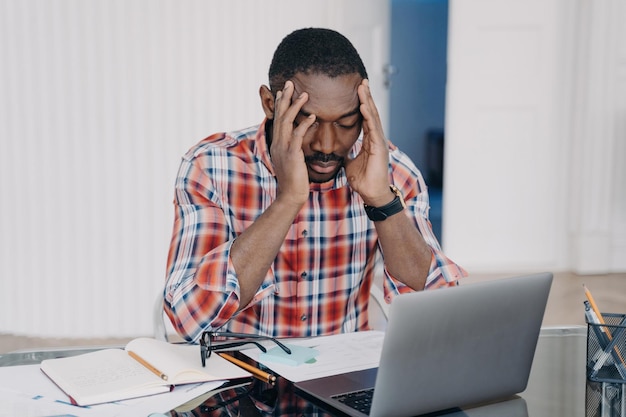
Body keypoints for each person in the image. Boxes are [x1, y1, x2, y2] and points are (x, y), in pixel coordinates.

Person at [164, 28, 466, 343]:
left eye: (347, 123)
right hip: (244, 377)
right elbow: (190, 319)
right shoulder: (211, 166)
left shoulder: (394, 171)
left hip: (345, 376)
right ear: (270, 104)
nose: (327, 144)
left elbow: (440, 311)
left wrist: (382, 201)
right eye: (307, 122)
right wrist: (288, 200)